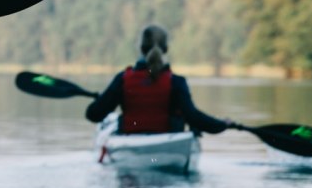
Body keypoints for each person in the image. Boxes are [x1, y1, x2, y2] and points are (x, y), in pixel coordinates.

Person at [83, 25, 234, 136]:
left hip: (130, 142)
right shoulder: (176, 82)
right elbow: (194, 118)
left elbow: (93, 115)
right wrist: (222, 124)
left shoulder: (122, 80)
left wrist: (104, 98)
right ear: (166, 49)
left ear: (141, 48)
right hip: (168, 142)